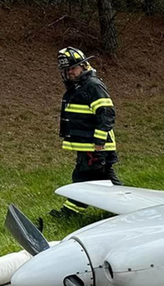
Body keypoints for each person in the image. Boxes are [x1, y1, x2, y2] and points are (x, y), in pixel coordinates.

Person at [49, 47, 120, 218]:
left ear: (84, 66)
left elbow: (106, 112)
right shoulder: (79, 87)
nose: (70, 73)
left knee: (84, 178)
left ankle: (69, 213)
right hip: (88, 144)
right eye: (66, 70)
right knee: (105, 180)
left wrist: (99, 141)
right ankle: (126, 208)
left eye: (73, 68)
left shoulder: (93, 86)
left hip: (95, 146)